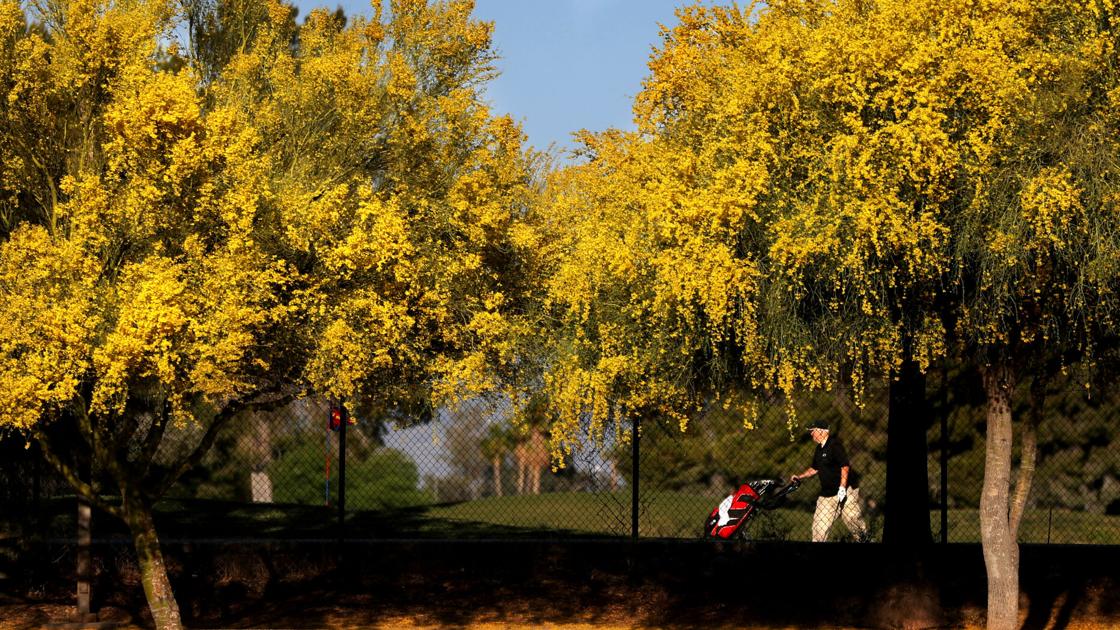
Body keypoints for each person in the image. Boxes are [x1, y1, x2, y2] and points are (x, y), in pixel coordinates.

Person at [790, 419, 868, 542]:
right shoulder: (818, 449)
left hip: (846, 490)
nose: (811, 434)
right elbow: (814, 468)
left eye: (812, 431)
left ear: (821, 432)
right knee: (819, 528)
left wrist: (842, 488)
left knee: (854, 522)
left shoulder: (835, 445)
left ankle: (865, 540)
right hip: (827, 494)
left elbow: (844, 466)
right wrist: (800, 476)